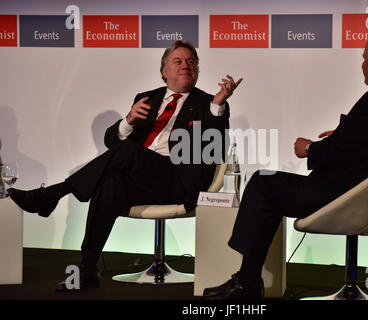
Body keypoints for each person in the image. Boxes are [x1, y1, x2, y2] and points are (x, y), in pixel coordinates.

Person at [201, 32, 368, 300]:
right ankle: (247, 280)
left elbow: (343, 153)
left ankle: (247, 283)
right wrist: (343, 135)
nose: (363, 65)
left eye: (364, 58)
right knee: (272, 186)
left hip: (347, 194)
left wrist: (308, 148)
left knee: (264, 182)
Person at [8, 40, 242, 291]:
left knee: (129, 150)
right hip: (143, 178)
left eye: (191, 62)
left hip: (178, 179)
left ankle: (52, 194)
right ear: (164, 71)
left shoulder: (211, 103)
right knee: (110, 183)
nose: (186, 65)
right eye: (178, 61)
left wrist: (218, 106)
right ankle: (87, 269)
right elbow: (112, 142)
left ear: (197, 71)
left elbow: (215, 148)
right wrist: (128, 120)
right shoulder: (146, 99)